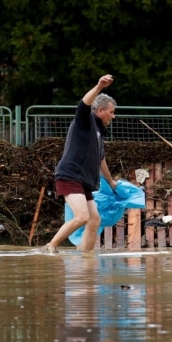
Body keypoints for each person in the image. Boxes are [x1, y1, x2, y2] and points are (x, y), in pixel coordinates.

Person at [44, 74, 119, 253]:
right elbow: (83, 104)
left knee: (95, 220)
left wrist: (112, 182)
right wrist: (99, 87)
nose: (113, 116)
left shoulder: (99, 132)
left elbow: (101, 160)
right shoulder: (86, 121)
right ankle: (50, 246)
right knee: (82, 216)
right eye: (111, 112)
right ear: (100, 110)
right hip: (70, 176)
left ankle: (85, 257)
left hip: (82, 181)